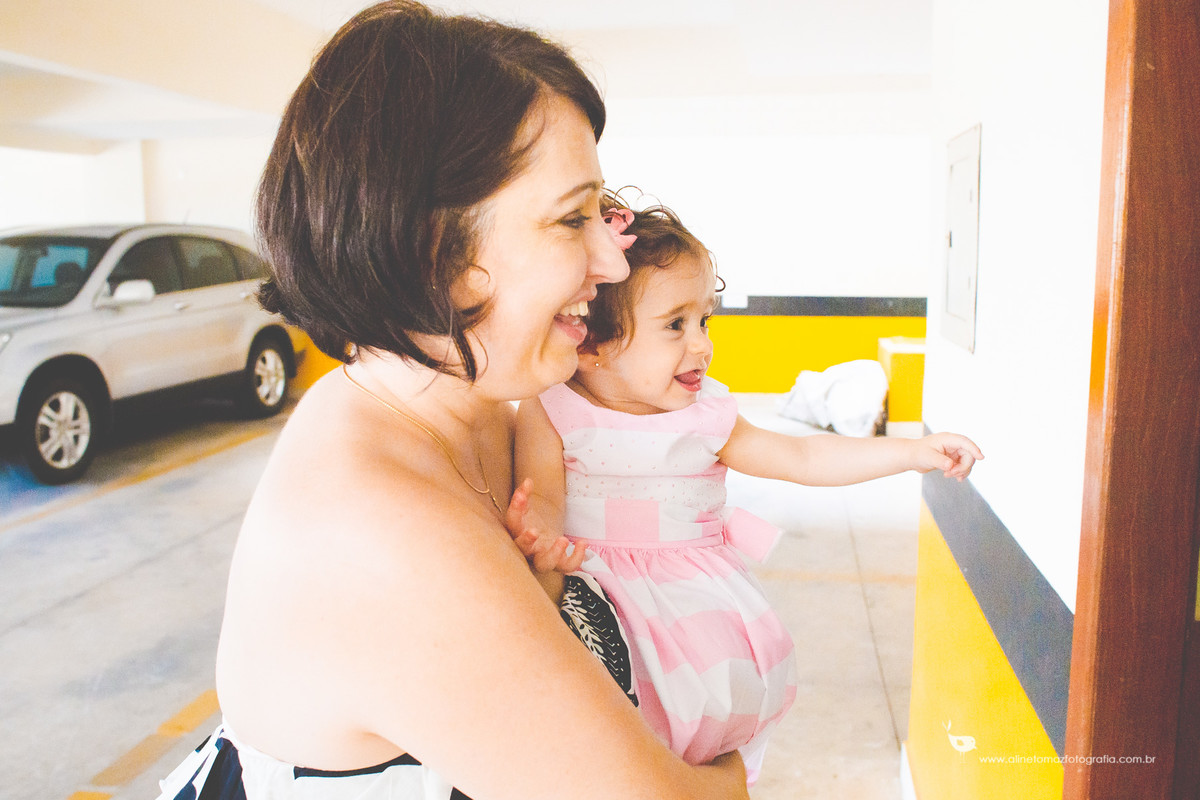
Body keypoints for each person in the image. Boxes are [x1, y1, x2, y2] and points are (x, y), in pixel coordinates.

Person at [155, 4, 753, 799]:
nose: (614, 261)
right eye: (573, 218)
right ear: (438, 251)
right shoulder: (382, 534)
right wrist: (732, 772)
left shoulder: (469, 411)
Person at [512, 194, 984, 784]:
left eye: (704, 320)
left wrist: (910, 452)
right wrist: (544, 540)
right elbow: (545, 496)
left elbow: (801, 453)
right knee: (618, 739)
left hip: (697, 602)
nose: (703, 345)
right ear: (592, 345)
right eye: (675, 325)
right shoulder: (551, 407)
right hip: (603, 597)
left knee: (708, 721)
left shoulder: (706, 413)